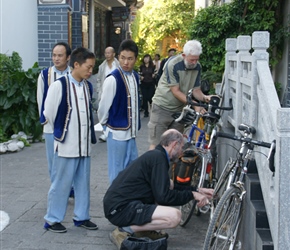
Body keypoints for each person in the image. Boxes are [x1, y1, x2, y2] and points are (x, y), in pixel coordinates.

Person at [103, 129, 214, 249]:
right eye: (181, 147)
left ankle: (142, 230)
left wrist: (197, 190)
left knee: (169, 184)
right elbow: (164, 197)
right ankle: (124, 229)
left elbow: (169, 186)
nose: (181, 152)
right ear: (174, 144)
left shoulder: (157, 155)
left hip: (119, 205)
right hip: (120, 209)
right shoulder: (158, 159)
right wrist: (192, 195)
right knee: (175, 217)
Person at [43, 47, 98, 233]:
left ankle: (81, 217)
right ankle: (52, 219)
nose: (90, 71)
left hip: (84, 146)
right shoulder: (60, 85)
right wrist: (62, 132)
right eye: (88, 67)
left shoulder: (87, 86)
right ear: (76, 64)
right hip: (66, 145)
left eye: (92, 67)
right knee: (61, 184)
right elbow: (48, 113)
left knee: (83, 184)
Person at [148, 40, 211, 150]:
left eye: (197, 59)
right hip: (162, 107)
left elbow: (196, 90)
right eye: (192, 59)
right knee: (157, 145)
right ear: (183, 55)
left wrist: (205, 98)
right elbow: (175, 91)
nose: (194, 62)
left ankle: (171, 168)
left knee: (175, 147)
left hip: (179, 111)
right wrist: (195, 105)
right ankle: (154, 167)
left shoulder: (197, 67)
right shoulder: (173, 64)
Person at [98, 39, 141, 185]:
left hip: (131, 133)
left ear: (135, 59)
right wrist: (106, 125)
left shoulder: (135, 77)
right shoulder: (113, 79)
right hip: (116, 133)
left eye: (130, 59)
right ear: (118, 57)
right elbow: (103, 107)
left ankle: (127, 201)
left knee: (131, 170)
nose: (126, 62)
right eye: (123, 58)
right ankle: (114, 202)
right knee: (116, 171)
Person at [37, 42, 71, 182]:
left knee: (69, 159)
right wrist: (45, 120)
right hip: (50, 126)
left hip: (69, 125)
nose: (56, 59)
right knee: (53, 160)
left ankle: (70, 187)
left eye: (60, 55)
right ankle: (56, 189)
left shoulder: (72, 74)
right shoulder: (45, 75)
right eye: (54, 55)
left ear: (68, 57)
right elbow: (41, 99)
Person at [96, 46, 120, 142]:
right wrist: (99, 91)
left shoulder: (118, 65)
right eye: (106, 53)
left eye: (109, 53)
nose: (107, 55)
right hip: (105, 92)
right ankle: (105, 132)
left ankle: (112, 131)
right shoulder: (102, 67)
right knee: (104, 111)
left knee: (114, 111)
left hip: (116, 91)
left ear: (113, 54)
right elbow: (98, 79)